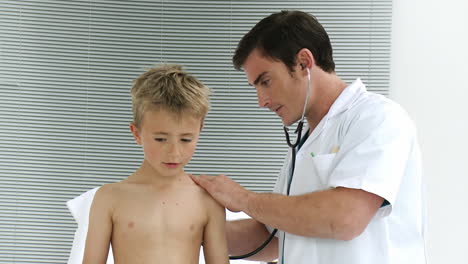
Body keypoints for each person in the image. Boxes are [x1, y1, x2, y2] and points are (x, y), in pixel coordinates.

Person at [190, 10, 426, 264]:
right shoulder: (304, 144)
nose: (261, 101)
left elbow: (345, 219)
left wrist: (243, 199)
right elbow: (274, 239)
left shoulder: (377, 117)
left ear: (303, 62)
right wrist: (185, 230)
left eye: (266, 81)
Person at [82, 64, 229, 264]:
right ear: (137, 133)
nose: (174, 152)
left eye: (186, 139)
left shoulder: (208, 201)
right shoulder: (109, 198)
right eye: (160, 139)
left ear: (199, 131)